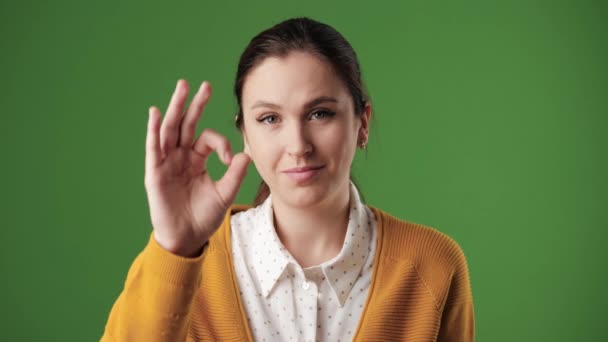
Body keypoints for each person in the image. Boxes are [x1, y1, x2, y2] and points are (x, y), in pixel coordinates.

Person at [101, 17, 475, 342]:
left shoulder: (433, 265)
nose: (298, 145)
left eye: (320, 114)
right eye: (269, 119)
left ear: (361, 124)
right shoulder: (192, 261)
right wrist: (175, 249)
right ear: (245, 133)